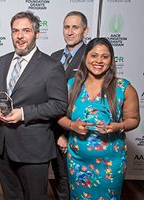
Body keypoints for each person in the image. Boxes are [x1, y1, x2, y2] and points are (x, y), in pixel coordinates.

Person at [0, 11, 68, 200]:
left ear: (37, 34)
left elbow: (59, 105)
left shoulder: (51, 66)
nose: (19, 36)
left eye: (26, 30)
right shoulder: (3, 61)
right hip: (3, 146)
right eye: (15, 31)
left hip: (33, 150)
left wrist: (23, 113)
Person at [57, 37, 140, 199]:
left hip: (110, 163)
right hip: (78, 161)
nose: (99, 61)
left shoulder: (124, 87)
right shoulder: (71, 85)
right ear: (85, 57)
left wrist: (118, 126)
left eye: (105, 56)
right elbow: (58, 116)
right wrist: (72, 125)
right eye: (94, 55)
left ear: (111, 60)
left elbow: (134, 119)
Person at [50, 11, 89, 200]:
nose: (70, 32)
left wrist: (66, 134)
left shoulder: (91, 57)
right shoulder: (54, 56)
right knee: (59, 179)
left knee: (71, 180)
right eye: (67, 27)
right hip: (52, 129)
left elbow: (89, 101)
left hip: (74, 132)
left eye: (75, 27)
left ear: (85, 31)